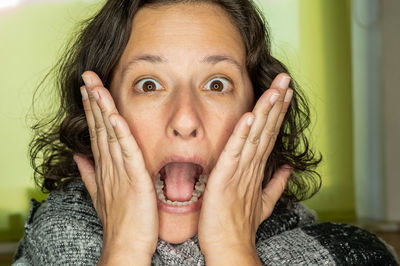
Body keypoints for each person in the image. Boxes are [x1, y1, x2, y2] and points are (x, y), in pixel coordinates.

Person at [13, 0, 398, 265]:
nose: (184, 119)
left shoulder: (353, 254)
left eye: (217, 84)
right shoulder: (54, 237)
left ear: (259, 107)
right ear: (98, 111)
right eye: (149, 85)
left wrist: (233, 252)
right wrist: (124, 251)